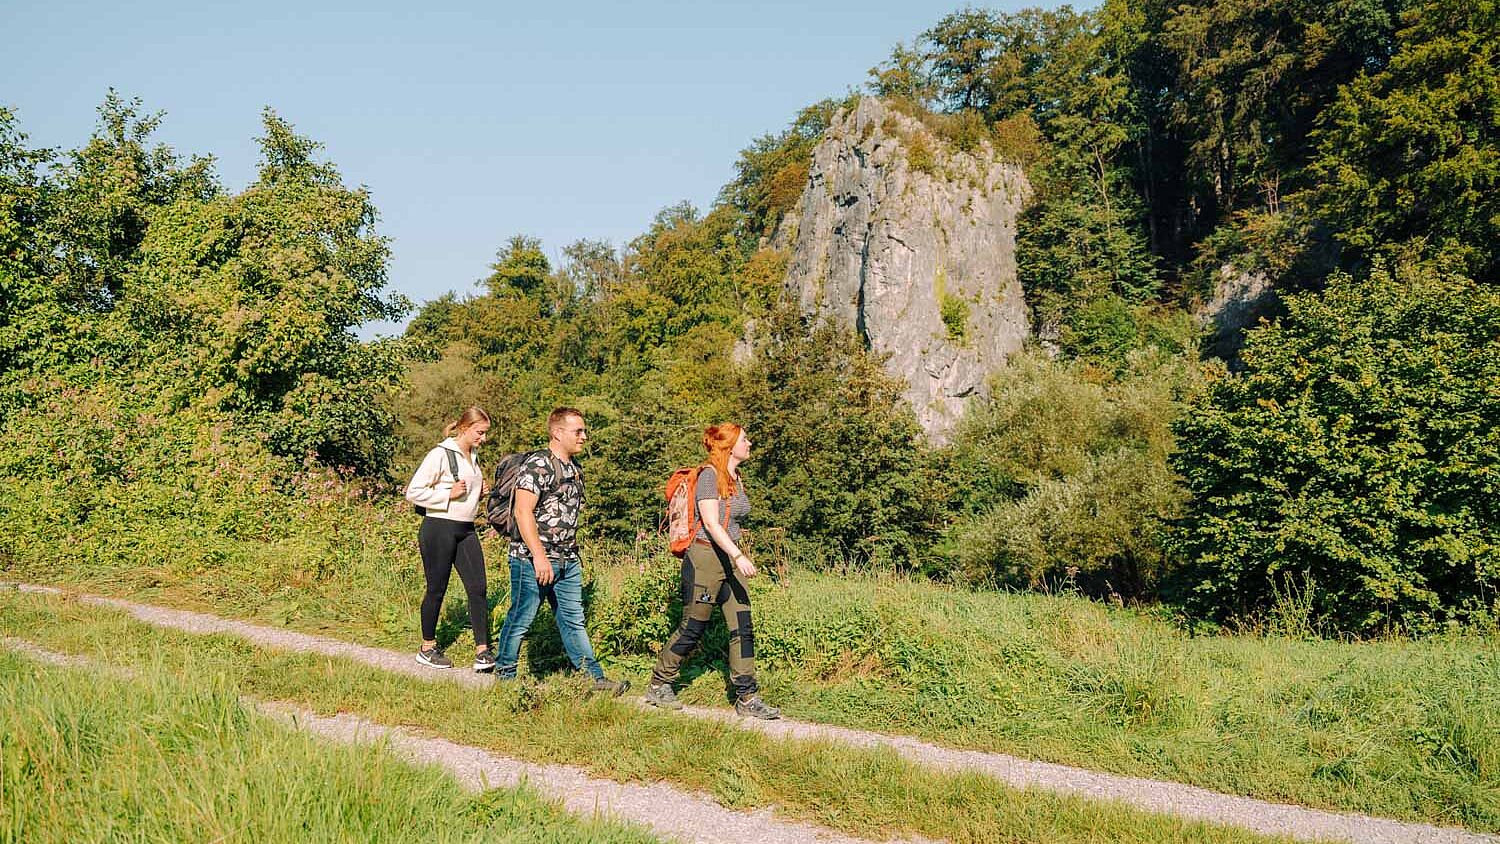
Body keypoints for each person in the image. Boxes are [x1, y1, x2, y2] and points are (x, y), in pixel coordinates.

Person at [643, 423, 780, 719]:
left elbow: (731, 522)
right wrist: (738, 554)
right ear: (729, 445)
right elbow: (711, 523)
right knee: (693, 626)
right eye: (745, 439)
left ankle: (747, 697)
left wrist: (736, 555)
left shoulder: (736, 477)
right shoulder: (708, 475)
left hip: (729, 559)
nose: (750, 443)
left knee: (742, 624)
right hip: (706, 557)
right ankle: (659, 683)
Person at [494, 407, 629, 695]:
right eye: (577, 431)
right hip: (532, 560)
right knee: (521, 618)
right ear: (557, 433)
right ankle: (505, 678)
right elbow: (522, 511)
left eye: (584, 431)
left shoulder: (575, 469)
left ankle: (594, 679)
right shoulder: (538, 466)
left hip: (568, 559)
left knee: (573, 620)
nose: (583, 436)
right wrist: (540, 557)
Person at [405, 406, 495, 672]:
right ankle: (427, 647)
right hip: (438, 528)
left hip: (466, 529)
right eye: (480, 433)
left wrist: (478, 493)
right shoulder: (440, 454)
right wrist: (448, 495)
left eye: (485, 434)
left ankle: (482, 651)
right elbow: (413, 492)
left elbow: (463, 492)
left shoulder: (473, 456)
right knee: (437, 588)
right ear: (466, 429)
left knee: (478, 588)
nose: (483, 438)